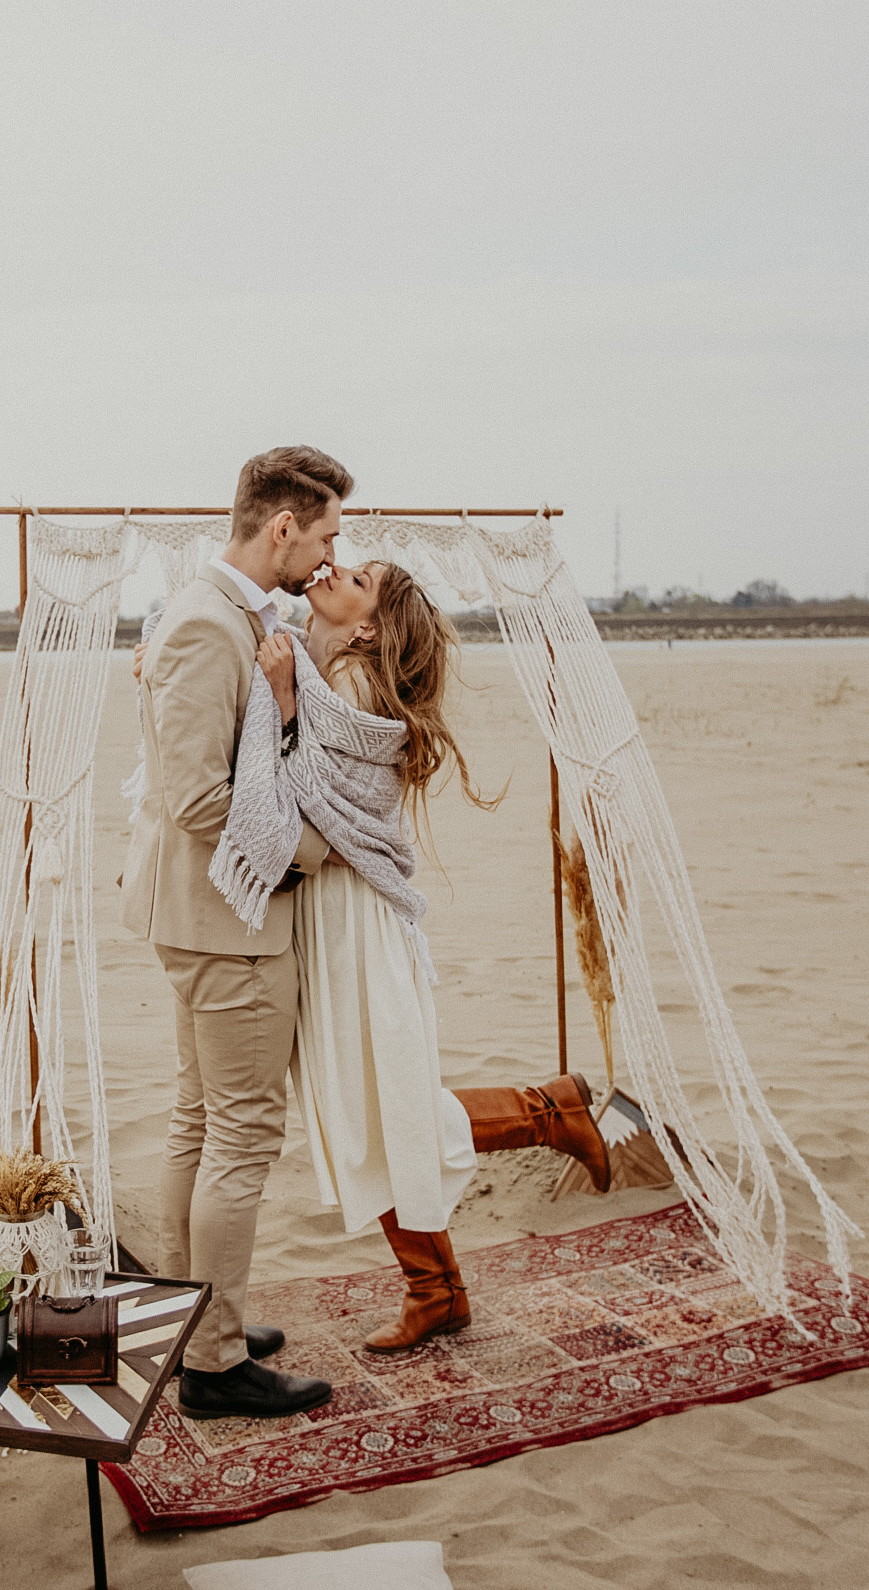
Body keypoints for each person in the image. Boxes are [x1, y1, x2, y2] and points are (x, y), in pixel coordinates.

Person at [248, 559, 611, 1353]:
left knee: (384, 1109)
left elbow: (314, 795)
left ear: (369, 623)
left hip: (356, 917)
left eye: (361, 576)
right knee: (368, 1110)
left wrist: (279, 701)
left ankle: (546, 1115)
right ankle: (439, 1289)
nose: (336, 566)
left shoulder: (354, 689)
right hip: (330, 907)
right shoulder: (325, 666)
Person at [121, 446, 350, 1421]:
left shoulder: (240, 616)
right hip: (227, 920)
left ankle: (193, 1317)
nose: (335, 552)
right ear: (281, 526)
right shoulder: (203, 628)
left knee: (202, 1119)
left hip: (204, 913)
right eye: (328, 532)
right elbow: (196, 798)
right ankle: (213, 1364)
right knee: (241, 1133)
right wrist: (315, 849)